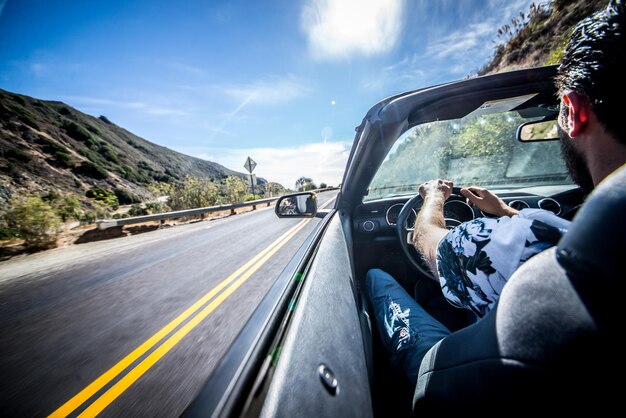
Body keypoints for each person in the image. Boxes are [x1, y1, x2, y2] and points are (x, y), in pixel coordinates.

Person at [366, 0, 626, 387]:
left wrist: (433, 196)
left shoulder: (515, 247)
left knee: (376, 278)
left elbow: (426, 238)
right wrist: (504, 211)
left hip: (465, 382)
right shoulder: (591, 235)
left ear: (572, 110)